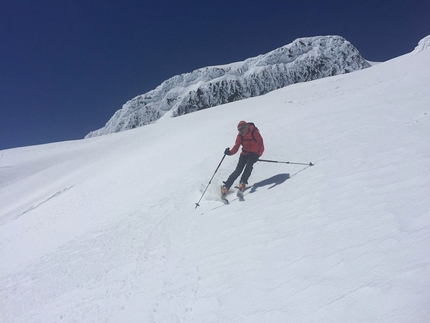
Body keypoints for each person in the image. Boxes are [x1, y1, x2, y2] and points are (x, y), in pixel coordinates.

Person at [222, 121, 264, 195]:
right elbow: (236, 145)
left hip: (253, 154)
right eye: (239, 130)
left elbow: (261, 146)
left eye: (242, 129)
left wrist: (257, 155)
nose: (240, 131)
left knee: (249, 167)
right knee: (238, 170)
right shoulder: (240, 135)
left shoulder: (254, 132)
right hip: (244, 153)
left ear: (246, 127)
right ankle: (226, 186)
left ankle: (243, 182)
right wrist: (230, 152)